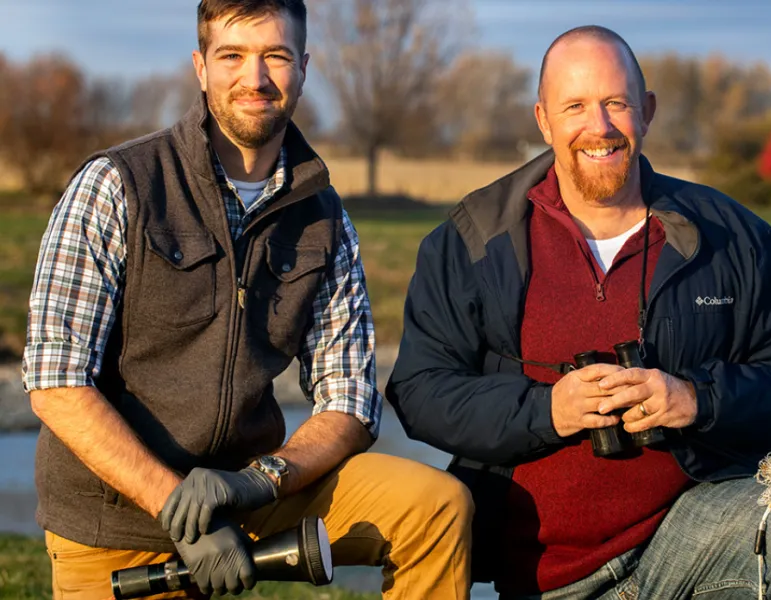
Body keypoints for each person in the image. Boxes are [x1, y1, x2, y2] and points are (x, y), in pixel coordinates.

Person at [386, 25, 771, 600]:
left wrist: (695, 399)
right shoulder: (471, 240)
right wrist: (550, 409)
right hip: (544, 572)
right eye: (576, 107)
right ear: (543, 119)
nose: (600, 127)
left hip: (690, 535)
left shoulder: (732, 236)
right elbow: (420, 391)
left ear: (647, 112)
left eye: (616, 103)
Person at [24, 1, 473, 598]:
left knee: (434, 506)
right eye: (232, 55)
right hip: (118, 519)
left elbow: (351, 398)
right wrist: (170, 504)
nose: (255, 78)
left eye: (276, 56)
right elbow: (56, 379)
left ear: (304, 67)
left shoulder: (324, 217)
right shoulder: (118, 184)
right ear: (200, 66)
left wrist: (263, 481)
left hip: (252, 493)